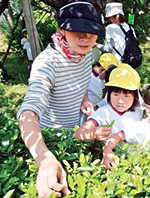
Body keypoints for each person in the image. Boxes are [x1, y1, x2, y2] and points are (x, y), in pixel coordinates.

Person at [16, 2, 105, 197]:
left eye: (92, 31)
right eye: (78, 31)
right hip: (54, 143)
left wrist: (85, 98)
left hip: (79, 131)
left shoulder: (86, 51)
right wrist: (45, 159)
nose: (86, 38)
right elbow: (28, 112)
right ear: (62, 29)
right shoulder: (47, 64)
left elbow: (80, 80)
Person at [74, 64, 143, 141]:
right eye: (115, 95)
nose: (120, 101)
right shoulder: (103, 113)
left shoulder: (139, 110)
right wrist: (94, 133)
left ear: (135, 96)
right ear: (109, 94)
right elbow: (79, 133)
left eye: (126, 96)